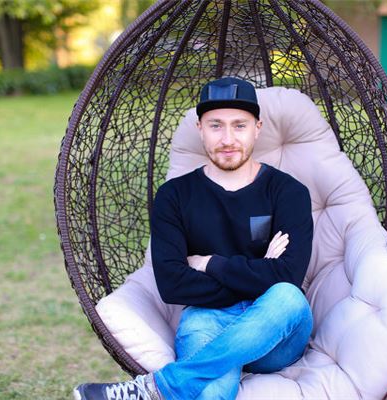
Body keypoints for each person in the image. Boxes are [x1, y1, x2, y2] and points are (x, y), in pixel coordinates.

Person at [74, 77, 314, 400]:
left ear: (257, 128)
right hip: (207, 318)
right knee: (210, 391)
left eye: (239, 126)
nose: (227, 139)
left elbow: (287, 276)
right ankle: (179, 383)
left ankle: (158, 388)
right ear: (200, 128)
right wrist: (260, 273)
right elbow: (173, 284)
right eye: (216, 126)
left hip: (277, 328)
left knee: (287, 296)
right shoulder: (174, 196)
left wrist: (209, 264)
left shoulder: (288, 192)